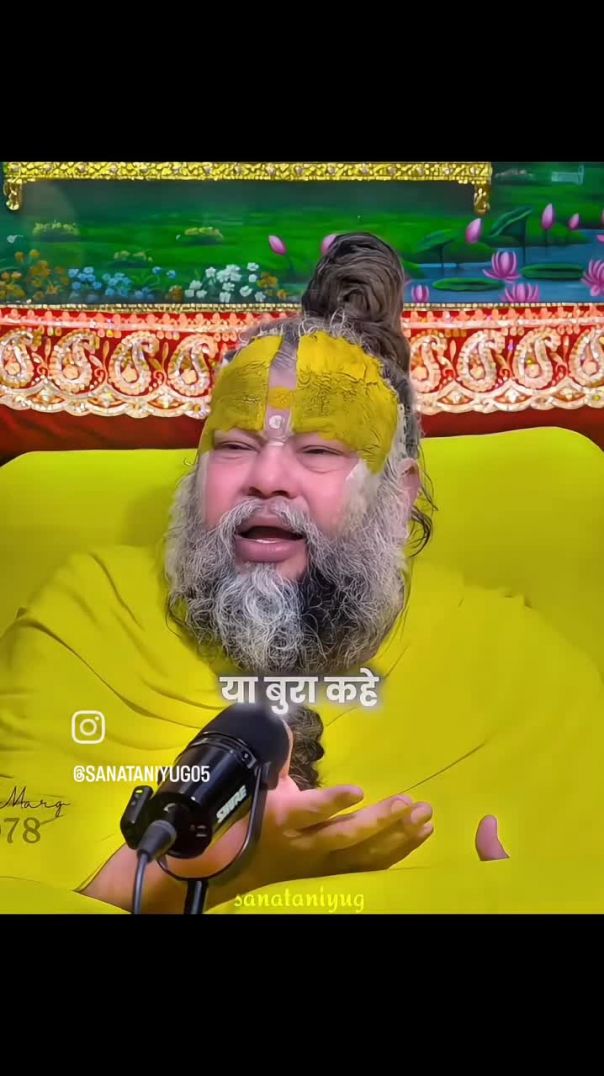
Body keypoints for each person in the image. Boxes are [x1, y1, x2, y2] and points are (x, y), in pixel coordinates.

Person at [0, 233, 602, 915]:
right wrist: (222, 872)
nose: (267, 477)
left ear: (397, 496)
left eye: (318, 451)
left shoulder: (504, 653)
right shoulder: (93, 613)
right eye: (235, 446)